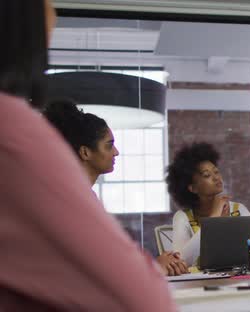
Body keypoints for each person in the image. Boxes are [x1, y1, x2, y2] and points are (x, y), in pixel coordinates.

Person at [0, 0, 175, 310]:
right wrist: (150, 270)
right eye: (109, 144)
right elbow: (142, 298)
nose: (53, 13)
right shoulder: (13, 130)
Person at [43, 99, 188, 276]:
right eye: (109, 145)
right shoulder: (72, 201)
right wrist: (154, 266)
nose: (116, 152)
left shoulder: (81, 196)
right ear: (85, 152)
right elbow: (99, 264)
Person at [166, 142, 250, 266]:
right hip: (198, 284)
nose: (216, 178)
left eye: (216, 172)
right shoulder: (183, 217)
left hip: (237, 280)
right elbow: (181, 261)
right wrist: (213, 219)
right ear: (193, 188)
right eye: (207, 175)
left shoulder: (239, 210)